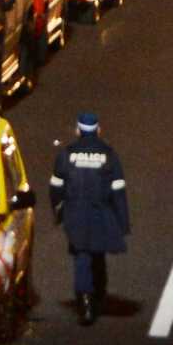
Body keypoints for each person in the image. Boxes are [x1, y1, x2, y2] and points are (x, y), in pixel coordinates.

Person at [50, 109, 130, 325]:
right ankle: (99, 295)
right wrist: (122, 222)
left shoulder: (67, 155)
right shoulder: (109, 155)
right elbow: (118, 191)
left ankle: (84, 303)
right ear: (98, 130)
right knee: (98, 254)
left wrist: (58, 211)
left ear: (78, 130)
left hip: (75, 214)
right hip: (100, 212)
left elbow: (56, 187)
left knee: (81, 257)